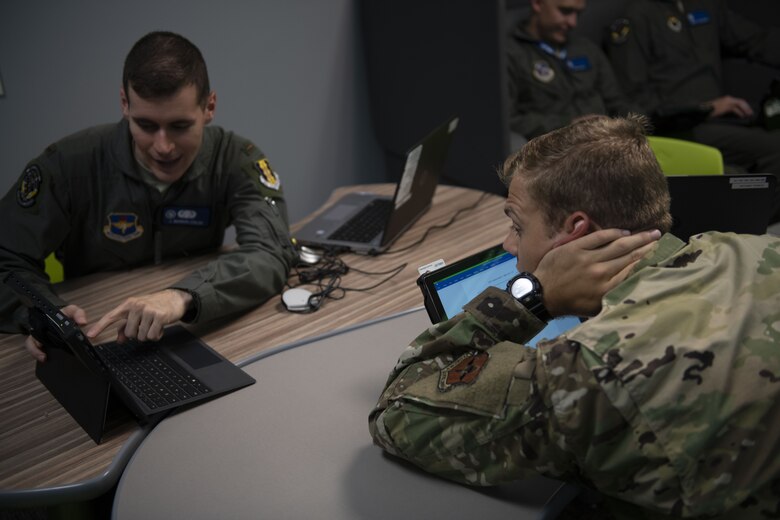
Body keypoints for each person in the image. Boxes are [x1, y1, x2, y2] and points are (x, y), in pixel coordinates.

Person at [369, 115, 780, 519]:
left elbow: (397, 414)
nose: (507, 243)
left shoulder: (588, 372)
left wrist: (529, 298)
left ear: (575, 230)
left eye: (516, 224)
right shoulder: (749, 249)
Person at [0, 31, 297, 360]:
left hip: (191, 333)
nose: (163, 147)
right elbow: (6, 258)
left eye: (180, 126)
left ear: (209, 107)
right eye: (145, 125)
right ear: (124, 104)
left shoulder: (235, 158)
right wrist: (44, 314)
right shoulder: (68, 164)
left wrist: (180, 298)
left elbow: (271, 253)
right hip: (92, 338)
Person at [606, 0, 780, 220]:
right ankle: (754, 225)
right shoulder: (637, 16)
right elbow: (635, 101)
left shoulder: (705, 5)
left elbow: (756, 40)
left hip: (727, 119)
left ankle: (754, 222)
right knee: (776, 148)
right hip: (679, 126)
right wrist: (703, 108)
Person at [507, 0, 638, 140]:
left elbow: (616, 102)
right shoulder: (510, 54)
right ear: (538, 4)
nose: (573, 23)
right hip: (551, 148)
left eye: (578, 13)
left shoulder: (586, 49)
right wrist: (568, 125)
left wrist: (633, 124)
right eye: (565, 11)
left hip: (603, 142)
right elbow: (508, 120)